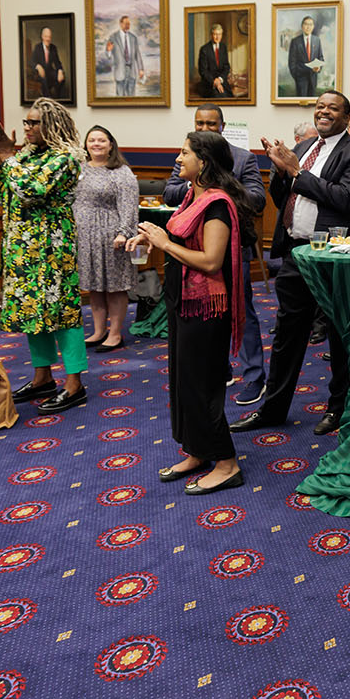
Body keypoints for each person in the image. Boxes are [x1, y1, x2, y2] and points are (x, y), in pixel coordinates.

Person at [230, 90, 350, 435]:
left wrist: (296, 172)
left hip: (333, 256)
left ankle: (337, 409)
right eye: (320, 106)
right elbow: (282, 199)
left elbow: (345, 199)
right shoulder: (303, 148)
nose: (323, 112)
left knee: (339, 337)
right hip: (296, 252)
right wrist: (280, 172)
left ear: (345, 115)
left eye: (332, 108)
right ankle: (273, 408)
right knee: (287, 335)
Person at [132, 131, 251, 495]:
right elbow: (183, 240)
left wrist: (165, 242)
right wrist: (153, 238)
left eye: (185, 152)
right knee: (184, 383)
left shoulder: (217, 204)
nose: (178, 157)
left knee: (202, 387)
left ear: (205, 162)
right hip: (183, 300)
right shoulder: (189, 196)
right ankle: (198, 451)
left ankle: (227, 463)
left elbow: (211, 261)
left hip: (207, 306)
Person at [0, 98, 88, 413]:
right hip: (22, 248)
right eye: (26, 122)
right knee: (32, 311)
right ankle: (43, 377)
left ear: (51, 125)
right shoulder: (24, 155)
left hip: (53, 249)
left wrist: (8, 157)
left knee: (63, 313)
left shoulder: (65, 158)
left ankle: (74, 383)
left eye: (34, 122)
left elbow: (30, 190)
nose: (27, 128)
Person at [164, 105, 267, 405]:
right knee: (204, 319)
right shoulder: (187, 158)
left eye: (211, 123)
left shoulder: (242, 158)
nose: (205, 128)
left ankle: (254, 377)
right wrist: (195, 181)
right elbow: (170, 193)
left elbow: (258, 200)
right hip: (192, 252)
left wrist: (219, 182)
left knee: (240, 310)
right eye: (200, 123)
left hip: (231, 251)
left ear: (222, 126)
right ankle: (219, 369)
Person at [74, 125, 138, 352]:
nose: (96, 144)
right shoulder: (79, 169)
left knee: (115, 286)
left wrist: (124, 232)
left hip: (112, 237)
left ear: (111, 144)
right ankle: (99, 331)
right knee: (95, 286)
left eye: (101, 140)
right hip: (85, 237)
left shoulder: (121, 172)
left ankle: (115, 333)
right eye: (92, 140)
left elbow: (129, 207)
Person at [286, 15, 324, 96]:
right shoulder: (295, 41)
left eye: (310, 25)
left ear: (313, 27)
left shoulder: (317, 40)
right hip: (301, 79)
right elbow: (291, 62)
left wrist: (319, 68)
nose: (308, 27)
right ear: (302, 26)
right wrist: (296, 76)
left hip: (313, 78)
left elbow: (320, 57)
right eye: (306, 24)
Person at [106, 15, 143, 96]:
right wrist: (108, 51)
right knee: (120, 97)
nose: (127, 26)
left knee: (131, 97)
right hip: (120, 72)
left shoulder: (133, 38)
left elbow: (137, 54)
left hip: (132, 71)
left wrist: (141, 69)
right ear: (120, 24)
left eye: (129, 24)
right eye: (126, 23)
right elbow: (108, 56)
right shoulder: (113, 37)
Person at [196, 23, 232, 98]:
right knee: (220, 96)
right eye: (215, 34)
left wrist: (219, 79)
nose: (217, 37)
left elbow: (226, 66)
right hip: (209, 84)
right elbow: (203, 71)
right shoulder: (204, 49)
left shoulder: (223, 47)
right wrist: (215, 82)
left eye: (219, 34)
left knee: (230, 97)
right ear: (211, 35)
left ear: (222, 35)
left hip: (222, 81)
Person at [30, 27, 66, 100]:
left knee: (62, 79)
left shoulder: (53, 48)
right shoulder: (38, 47)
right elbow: (31, 61)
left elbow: (57, 63)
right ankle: (48, 100)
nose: (48, 39)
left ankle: (58, 99)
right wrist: (38, 66)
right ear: (42, 37)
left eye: (49, 37)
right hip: (39, 73)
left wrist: (60, 71)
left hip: (49, 72)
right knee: (44, 80)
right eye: (46, 37)